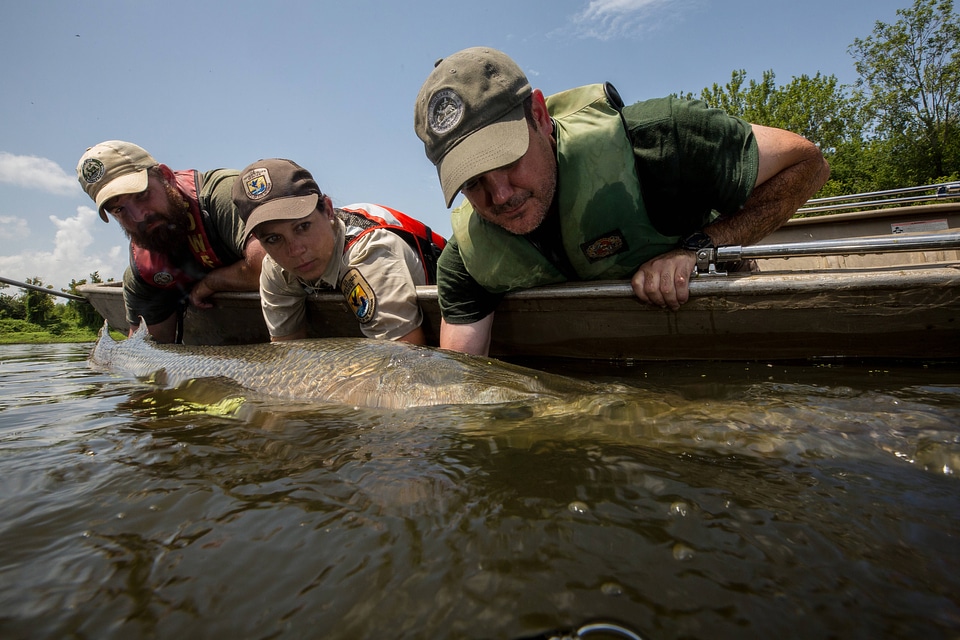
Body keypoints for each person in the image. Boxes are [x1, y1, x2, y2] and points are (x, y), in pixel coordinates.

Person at [414, 47, 831, 356]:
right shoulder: (464, 262)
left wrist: (699, 247)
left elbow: (808, 164)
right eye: (473, 182)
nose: (500, 195)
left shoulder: (664, 141)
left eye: (508, 159)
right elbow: (463, 384)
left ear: (539, 116)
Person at [231, 158, 446, 344]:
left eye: (303, 227)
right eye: (274, 239)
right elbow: (288, 355)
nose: (295, 250)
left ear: (328, 209)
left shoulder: (370, 253)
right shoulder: (276, 267)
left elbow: (404, 365)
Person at [77, 140, 265, 343]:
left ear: (166, 177)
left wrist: (211, 283)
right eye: (119, 210)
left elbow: (274, 264)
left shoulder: (224, 195)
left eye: (142, 195)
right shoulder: (143, 272)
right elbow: (145, 355)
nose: (139, 216)